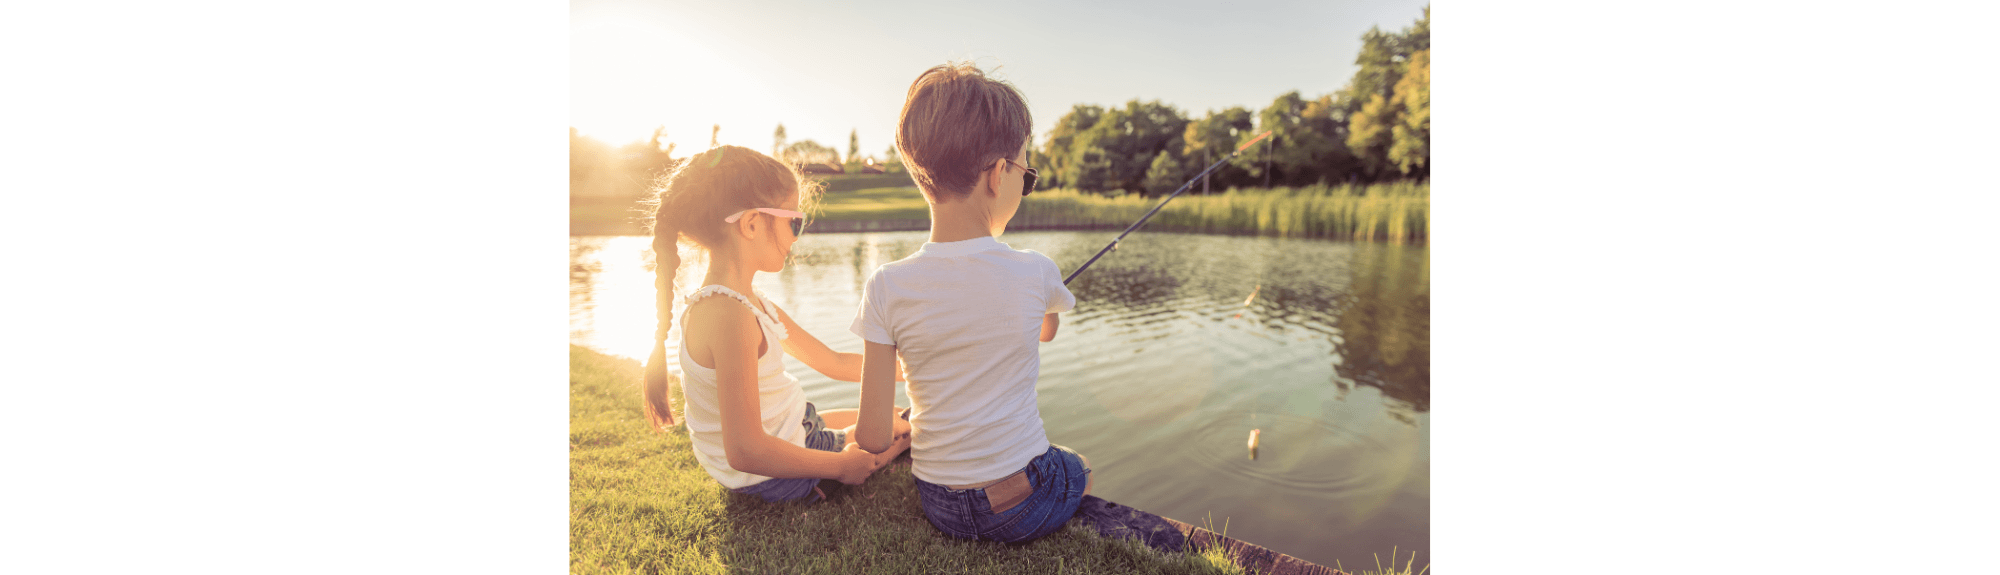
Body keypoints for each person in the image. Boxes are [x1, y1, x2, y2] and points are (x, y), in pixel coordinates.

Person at [850, 63, 1093, 543]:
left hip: (939, 501)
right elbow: (1046, 332)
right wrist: (1041, 297)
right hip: (1020, 504)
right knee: (1077, 465)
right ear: (999, 174)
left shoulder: (885, 284)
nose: (1024, 185)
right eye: (1027, 174)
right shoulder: (1036, 269)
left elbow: (874, 438)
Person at [641, 145, 912, 503]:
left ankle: (865, 438)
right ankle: (844, 470)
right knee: (906, 428)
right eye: (793, 223)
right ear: (752, 223)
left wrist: (916, 370)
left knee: (890, 416)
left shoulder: (747, 303)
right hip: (771, 474)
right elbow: (746, 451)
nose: (795, 238)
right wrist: (841, 468)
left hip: (794, 430)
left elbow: (833, 363)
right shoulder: (730, 316)